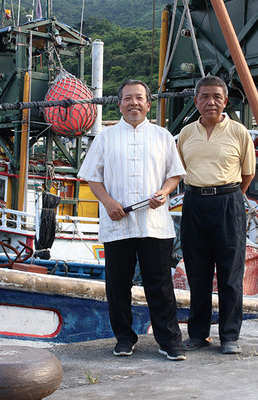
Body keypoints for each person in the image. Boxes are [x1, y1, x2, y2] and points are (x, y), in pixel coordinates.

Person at [78, 79, 187, 361]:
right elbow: (92, 176)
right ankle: (124, 338)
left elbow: (174, 174)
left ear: (148, 104)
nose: (133, 103)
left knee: (160, 285)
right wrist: (108, 203)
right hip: (118, 223)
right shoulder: (105, 137)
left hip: (154, 223)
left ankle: (169, 341)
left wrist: (163, 193)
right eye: (128, 98)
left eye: (139, 98)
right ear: (120, 104)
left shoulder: (163, 136)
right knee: (118, 285)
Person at [177, 75, 256, 355]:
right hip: (195, 202)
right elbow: (180, 169)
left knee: (230, 273)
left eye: (217, 97)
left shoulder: (239, 132)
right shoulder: (186, 133)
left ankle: (230, 336)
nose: (211, 102)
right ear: (196, 100)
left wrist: (228, 195)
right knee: (197, 272)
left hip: (228, 203)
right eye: (205, 97)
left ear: (225, 101)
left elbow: (248, 174)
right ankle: (198, 334)